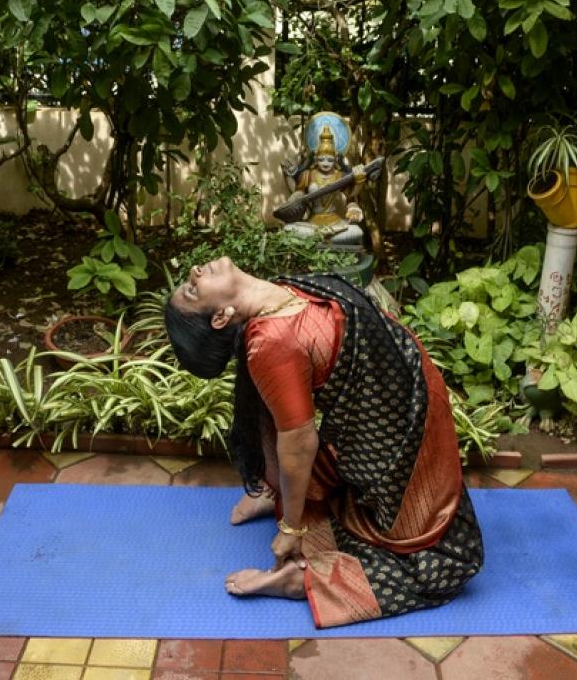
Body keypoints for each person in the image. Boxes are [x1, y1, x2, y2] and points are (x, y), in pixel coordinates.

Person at [163, 257, 483, 627]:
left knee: (437, 550)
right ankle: (299, 570)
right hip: (379, 419)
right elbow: (297, 440)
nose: (195, 272)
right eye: (192, 289)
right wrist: (291, 529)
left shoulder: (274, 296)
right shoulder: (271, 340)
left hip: (407, 419)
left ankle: (297, 553)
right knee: (448, 563)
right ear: (221, 317)